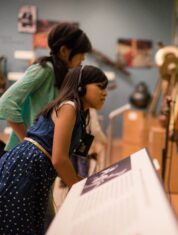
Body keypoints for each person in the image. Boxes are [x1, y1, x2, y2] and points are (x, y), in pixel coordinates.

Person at [0, 65, 108, 234]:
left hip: (35, 170)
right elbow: (59, 159)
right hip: (26, 169)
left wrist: (82, 182)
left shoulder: (78, 113)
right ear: (81, 86)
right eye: (100, 86)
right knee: (17, 226)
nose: (105, 93)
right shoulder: (69, 107)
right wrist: (80, 187)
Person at [0, 22, 92, 153]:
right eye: (81, 53)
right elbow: (6, 103)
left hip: (44, 157)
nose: (83, 58)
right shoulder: (44, 70)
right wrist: (29, 143)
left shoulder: (63, 75)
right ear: (64, 51)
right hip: (25, 158)